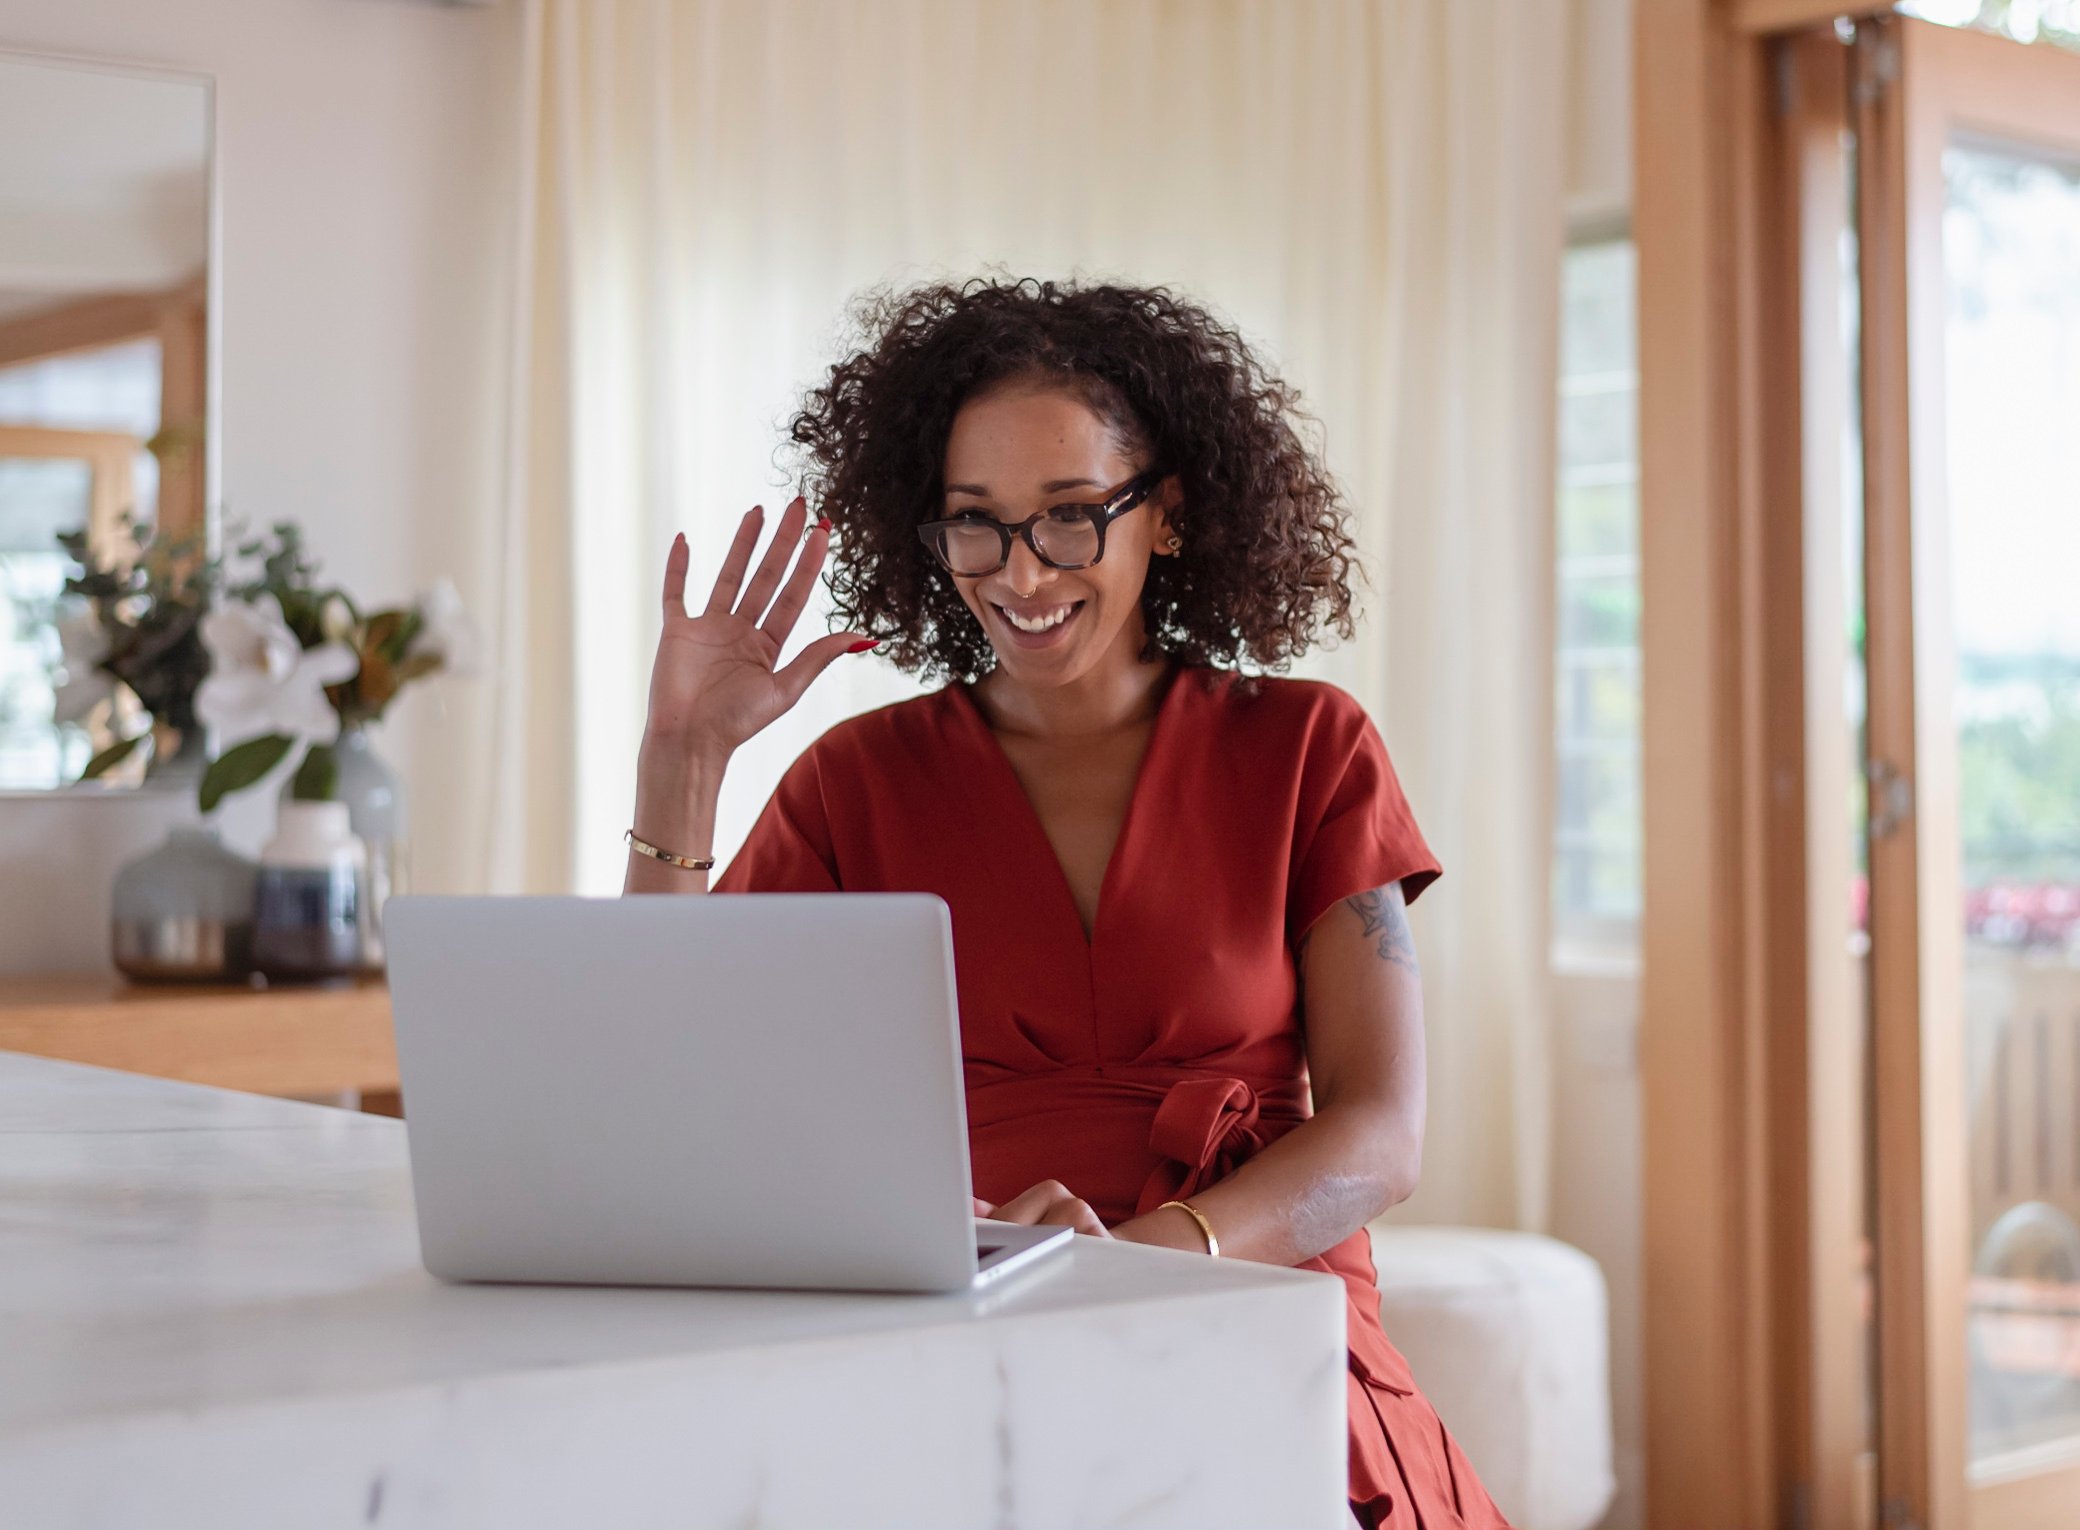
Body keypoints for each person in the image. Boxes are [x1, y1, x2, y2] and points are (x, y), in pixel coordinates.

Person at [624, 277, 1513, 1530]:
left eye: (1071, 517)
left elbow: (1381, 1135)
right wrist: (686, 761)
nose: (1020, 571)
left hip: (1252, 1315)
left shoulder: (1312, 747)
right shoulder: (854, 784)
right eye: (974, 522)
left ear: (1171, 515)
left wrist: (1144, 1259)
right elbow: (668, 1091)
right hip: (960, 1343)